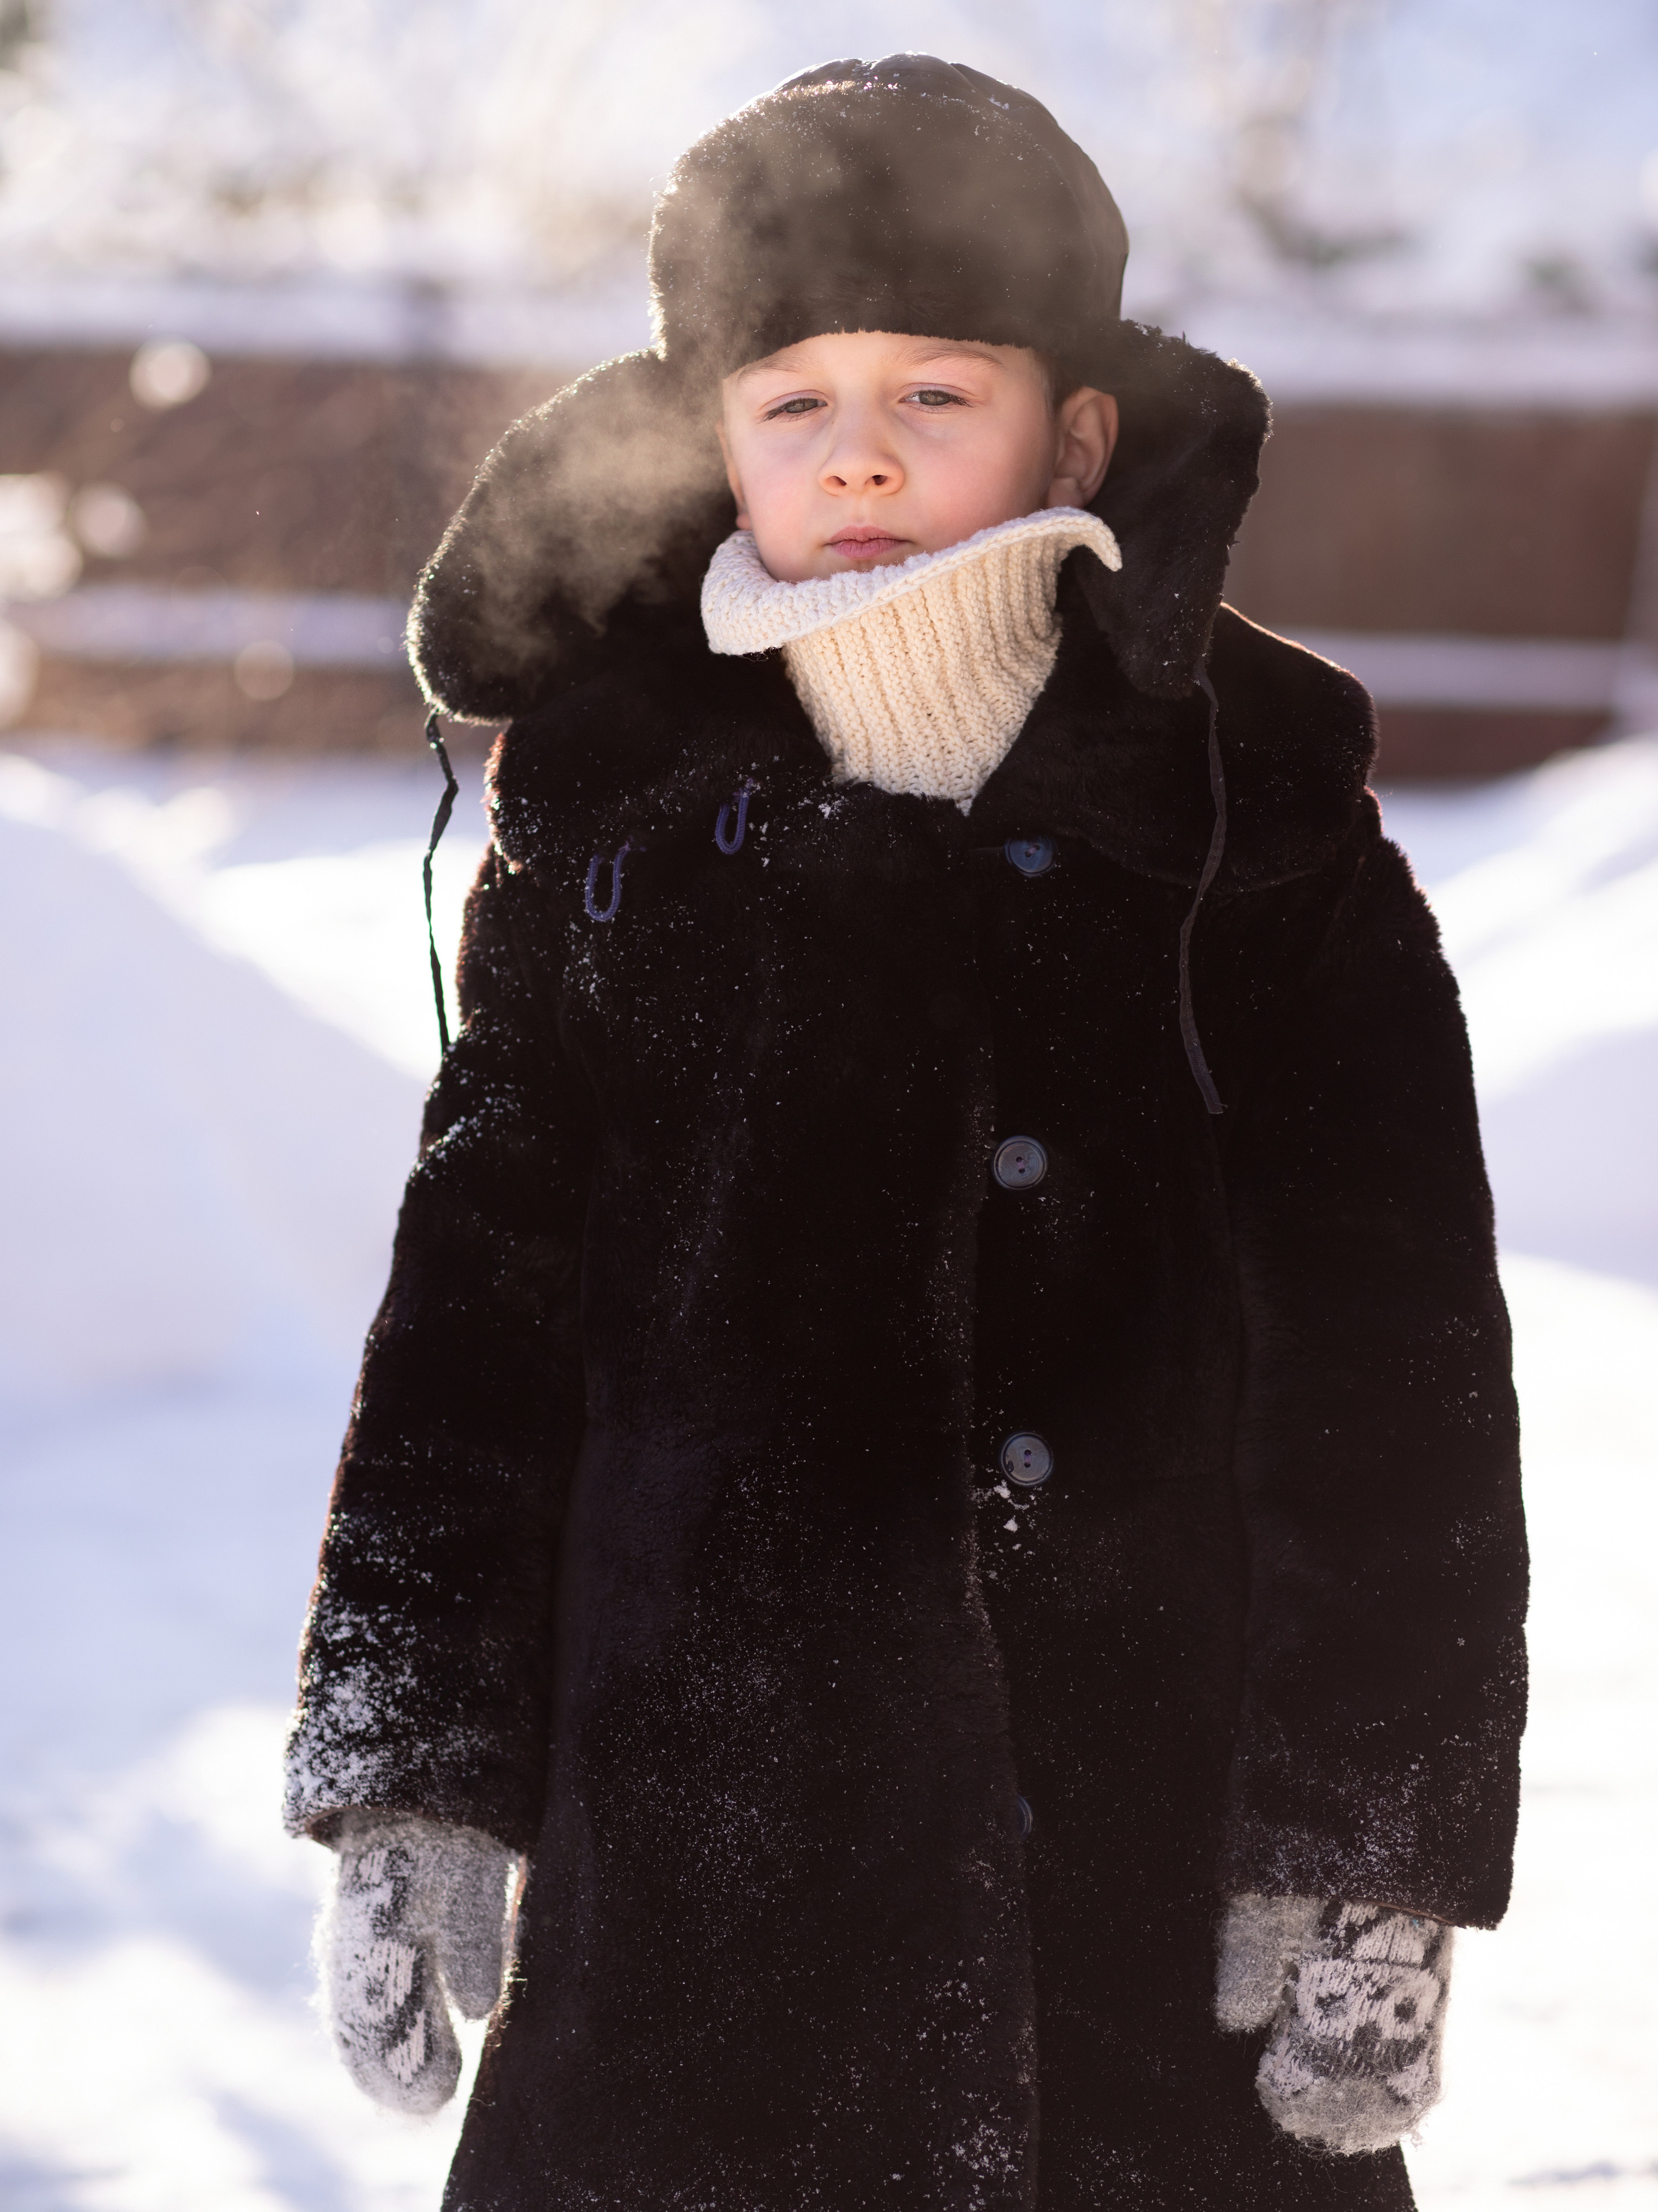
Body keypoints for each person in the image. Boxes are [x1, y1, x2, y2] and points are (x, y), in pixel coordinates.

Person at [284, 55, 1528, 2212]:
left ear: (1077, 434)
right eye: (794, 401)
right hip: (698, 1885)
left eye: (935, 392)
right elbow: (473, 1337)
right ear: (713, 442)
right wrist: (414, 1777)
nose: (857, 450)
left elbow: (1397, 1369)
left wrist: (1367, 1843)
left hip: (1146, 1889)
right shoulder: (618, 845)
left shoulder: (1257, 844)